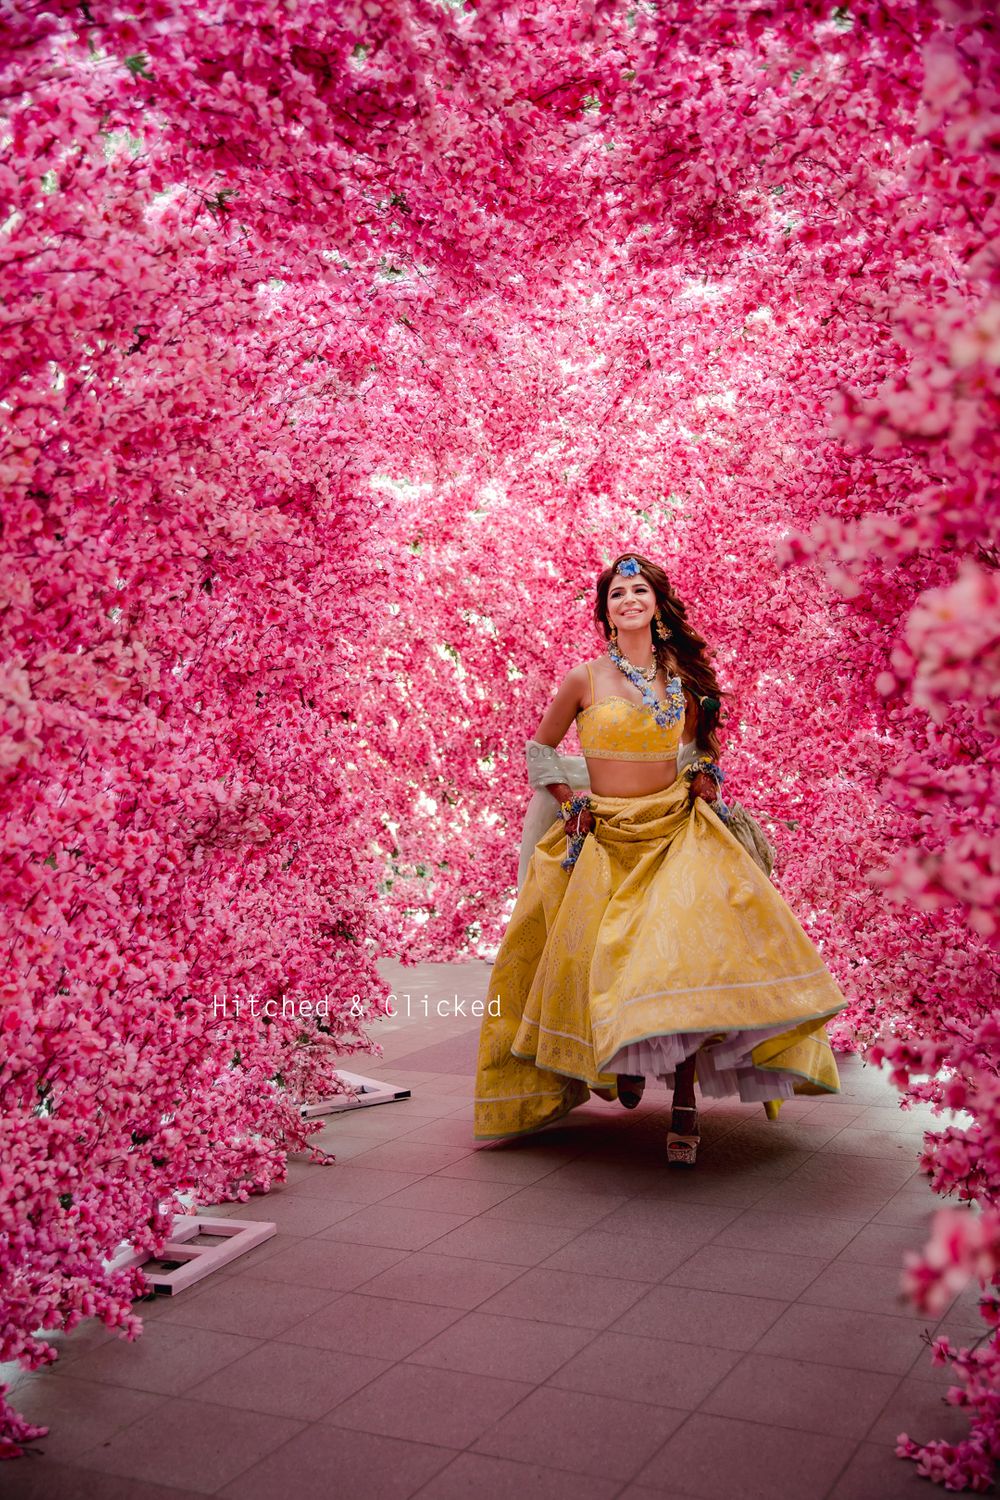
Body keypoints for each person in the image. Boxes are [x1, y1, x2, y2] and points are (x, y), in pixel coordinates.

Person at [474, 552, 847, 1166]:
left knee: (679, 965)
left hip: (676, 830)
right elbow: (540, 751)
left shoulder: (684, 678)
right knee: (598, 960)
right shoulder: (584, 679)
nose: (629, 601)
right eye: (617, 594)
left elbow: (703, 747)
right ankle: (620, 1059)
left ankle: (683, 1106)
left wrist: (703, 774)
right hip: (606, 838)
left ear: (656, 603)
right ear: (605, 611)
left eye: (639, 590)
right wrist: (569, 804)